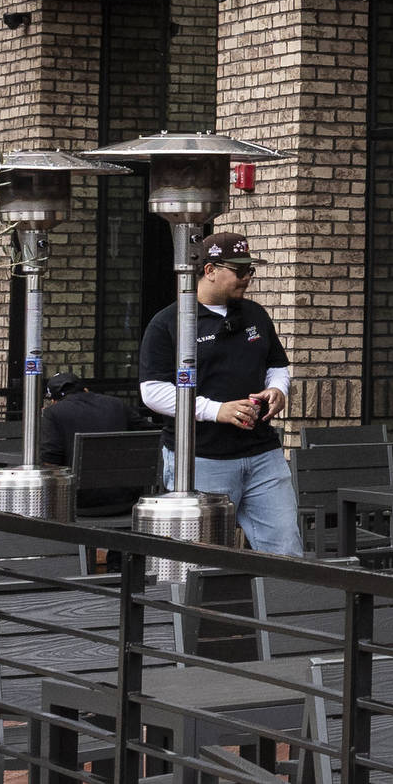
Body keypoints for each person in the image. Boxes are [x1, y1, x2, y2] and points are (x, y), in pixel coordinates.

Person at [134, 230, 302, 556]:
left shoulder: (255, 313)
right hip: (201, 457)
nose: (247, 278)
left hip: (262, 454)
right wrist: (216, 410)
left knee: (286, 549)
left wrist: (277, 389)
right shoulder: (169, 322)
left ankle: (281, 605)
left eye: (250, 270)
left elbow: (277, 365)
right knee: (202, 557)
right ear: (209, 270)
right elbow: (152, 392)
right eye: (240, 271)